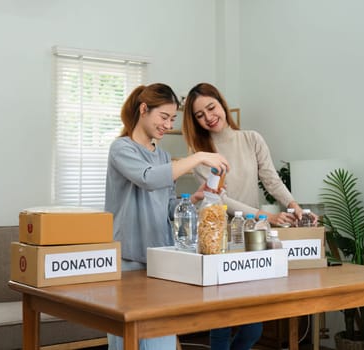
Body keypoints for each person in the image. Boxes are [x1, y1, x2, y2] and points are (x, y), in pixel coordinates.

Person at [182, 82, 318, 350]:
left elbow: (271, 180)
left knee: (254, 325)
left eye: (211, 108)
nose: (209, 117)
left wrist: (294, 205)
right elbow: (219, 198)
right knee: (221, 320)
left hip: (252, 239)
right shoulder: (201, 155)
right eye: (200, 115)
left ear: (222, 104)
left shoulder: (252, 139)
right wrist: (262, 216)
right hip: (219, 240)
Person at [105, 83, 230, 350]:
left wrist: (194, 198)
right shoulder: (121, 149)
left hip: (159, 257)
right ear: (143, 110)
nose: (168, 124)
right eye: (164, 117)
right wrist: (197, 157)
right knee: (127, 338)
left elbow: (167, 206)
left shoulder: (162, 155)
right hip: (128, 259)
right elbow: (148, 179)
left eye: (172, 118)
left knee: (159, 336)